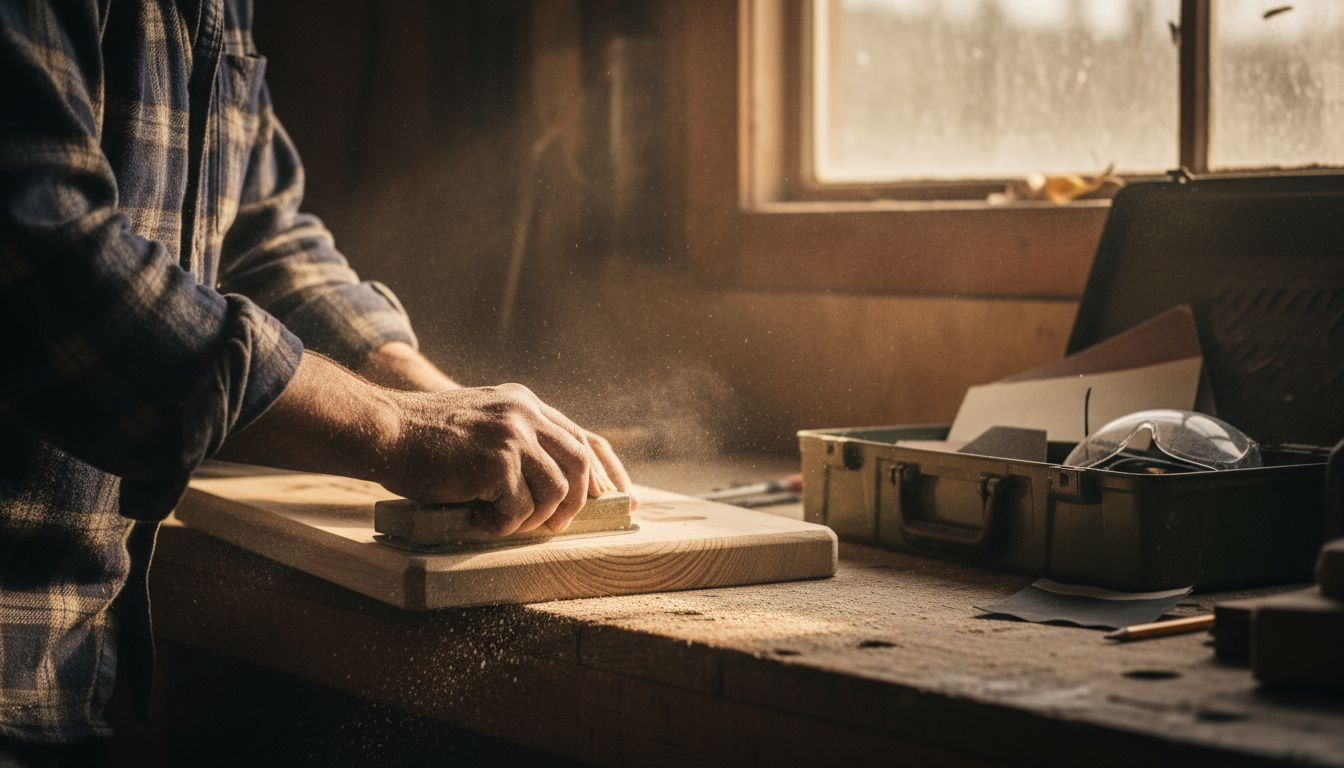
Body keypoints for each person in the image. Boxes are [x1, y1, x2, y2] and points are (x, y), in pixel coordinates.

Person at [0, 0, 633, 761]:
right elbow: (43, 262)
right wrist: (397, 429)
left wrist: (429, 400)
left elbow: (261, 242)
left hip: (57, 680)